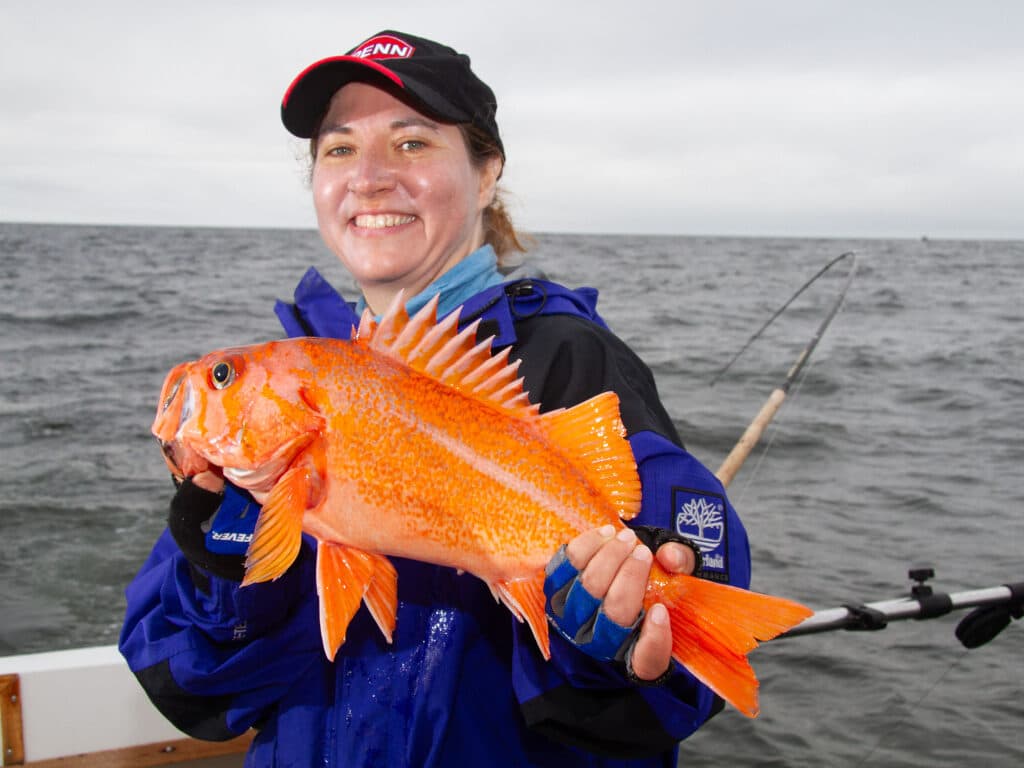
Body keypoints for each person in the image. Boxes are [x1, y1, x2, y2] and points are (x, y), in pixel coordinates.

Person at [120, 30, 752, 767]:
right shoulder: (313, 374)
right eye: (339, 148)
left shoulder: (570, 360)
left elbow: (665, 694)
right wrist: (220, 570)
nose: (370, 177)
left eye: (413, 143)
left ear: (486, 174)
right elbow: (190, 691)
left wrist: (617, 641)